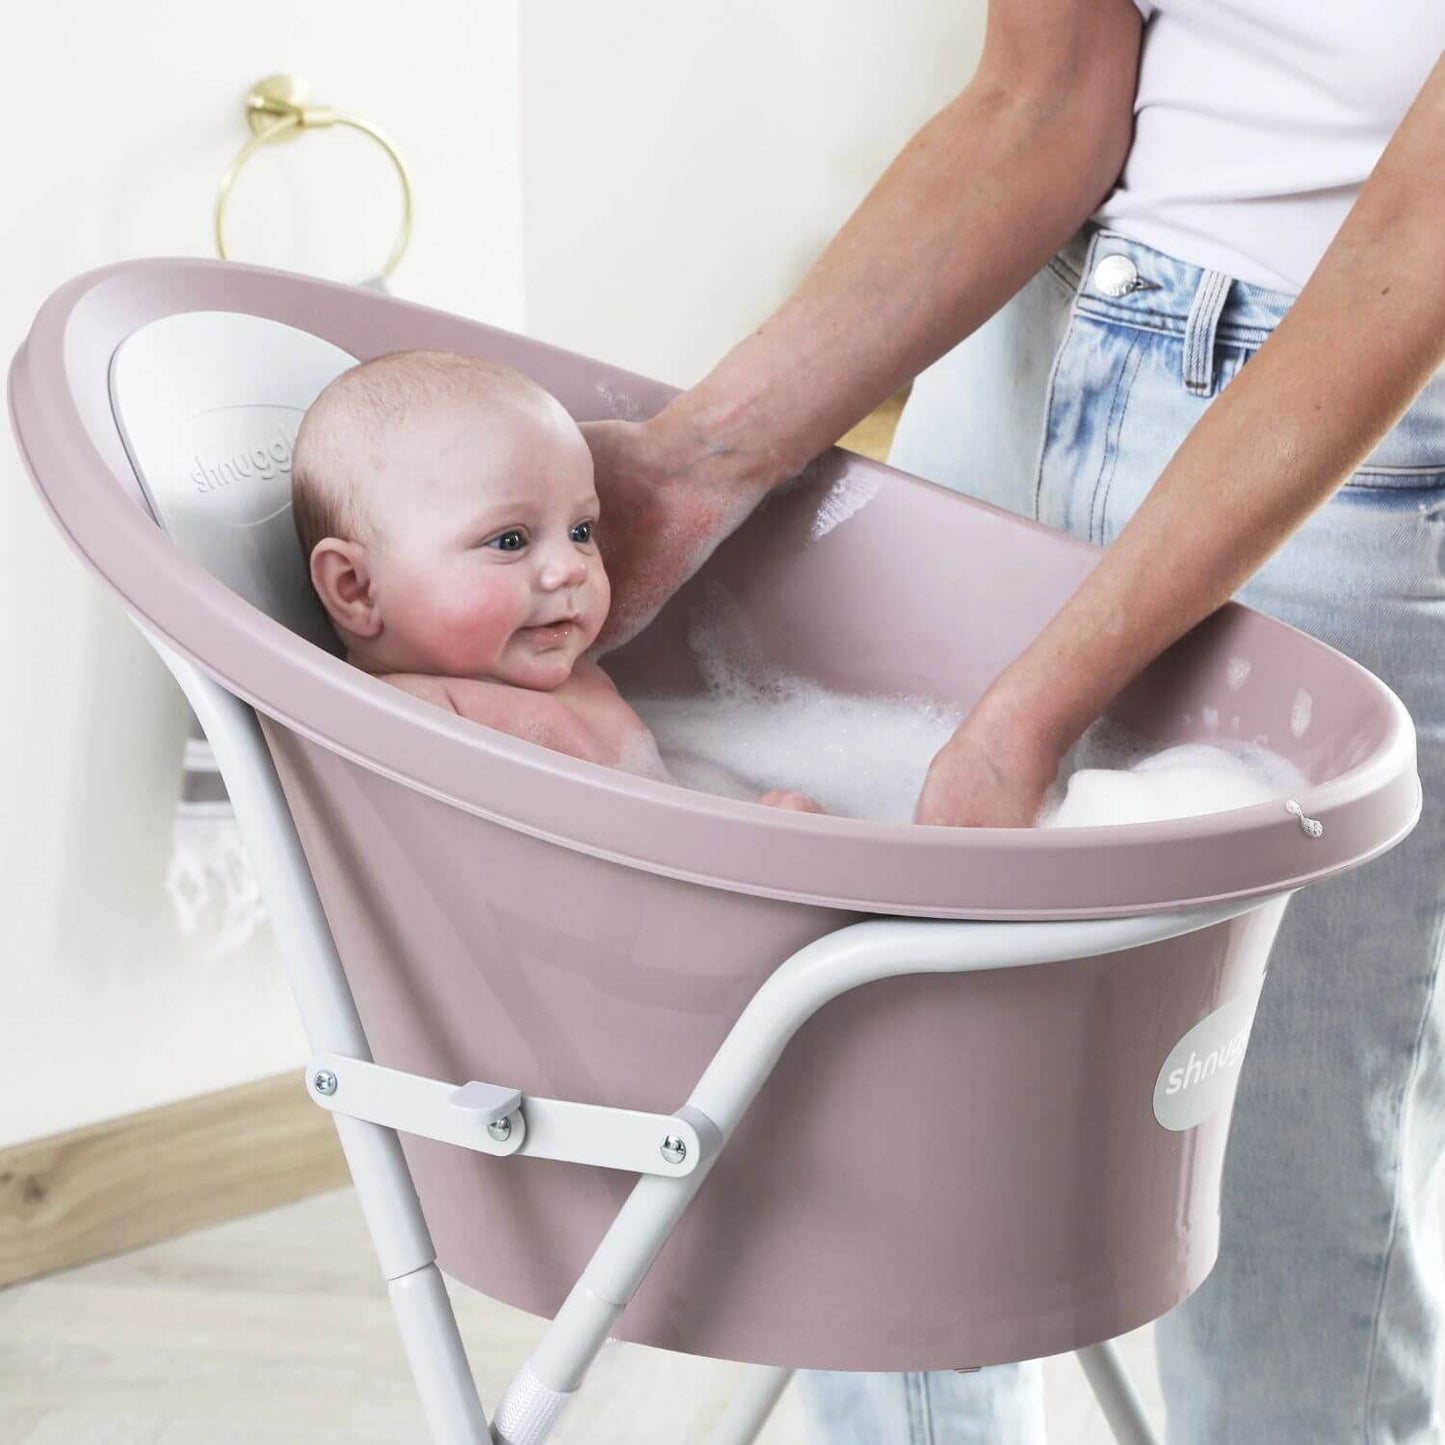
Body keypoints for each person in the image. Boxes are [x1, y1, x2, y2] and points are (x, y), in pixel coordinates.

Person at [580, 1, 1445, 1439]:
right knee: (890, 1142)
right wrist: (690, 463)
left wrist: (1030, 708)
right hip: (1035, 346)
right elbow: (1040, 99)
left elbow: (1417, 247)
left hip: (1354, 435)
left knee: (1278, 1186)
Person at [289, 350, 823, 811]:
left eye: (580, 530)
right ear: (355, 589)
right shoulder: (405, 717)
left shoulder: (570, 674)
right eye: (511, 541)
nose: (572, 566)